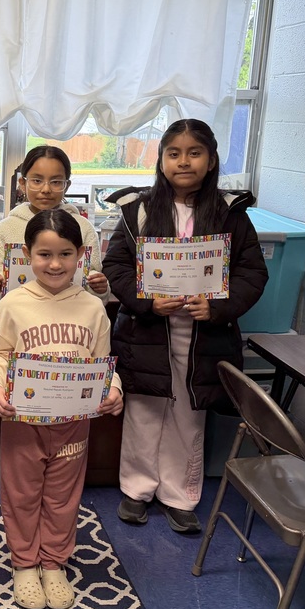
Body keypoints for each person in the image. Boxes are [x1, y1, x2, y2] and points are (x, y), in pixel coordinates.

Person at [102, 119, 268, 534]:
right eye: (173, 153)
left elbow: (252, 274)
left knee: (188, 416)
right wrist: (146, 301)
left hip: (202, 336)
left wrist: (216, 308)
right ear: (160, 160)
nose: (183, 161)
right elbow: (117, 267)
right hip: (147, 332)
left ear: (211, 161)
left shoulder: (230, 214)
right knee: (143, 410)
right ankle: (137, 490)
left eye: (194, 153)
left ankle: (180, 495)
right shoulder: (137, 210)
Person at [0, 209, 123, 609]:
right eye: (44, 254)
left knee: (63, 497)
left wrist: (114, 390)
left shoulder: (93, 308)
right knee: (22, 494)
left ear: (81, 255)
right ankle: (25, 564)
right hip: (22, 422)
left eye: (65, 253)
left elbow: (104, 362)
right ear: (27, 254)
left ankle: (54, 562)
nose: (55, 264)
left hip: (74, 424)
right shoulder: (13, 303)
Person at [0, 145, 108, 311]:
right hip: (20, 318)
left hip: (70, 318)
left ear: (66, 186)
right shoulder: (6, 228)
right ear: (23, 183)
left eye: (55, 182)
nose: (46, 189)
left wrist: (100, 288)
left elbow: (92, 279)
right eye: (37, 181)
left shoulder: (83, 228)